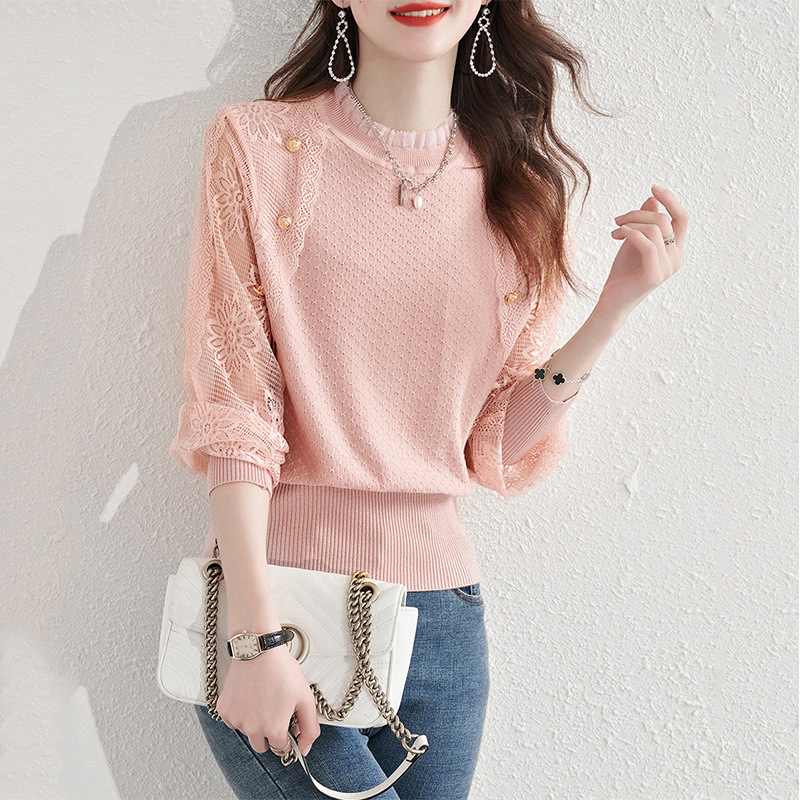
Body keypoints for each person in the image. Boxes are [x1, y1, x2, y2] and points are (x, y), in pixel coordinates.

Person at [167, 1, 689, 797]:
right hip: (279, 605)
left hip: (441, 627)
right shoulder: (259, 146)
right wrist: (253, 636)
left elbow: (489, 445)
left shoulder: (524, 190)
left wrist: (613, 308)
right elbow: (237, 406)